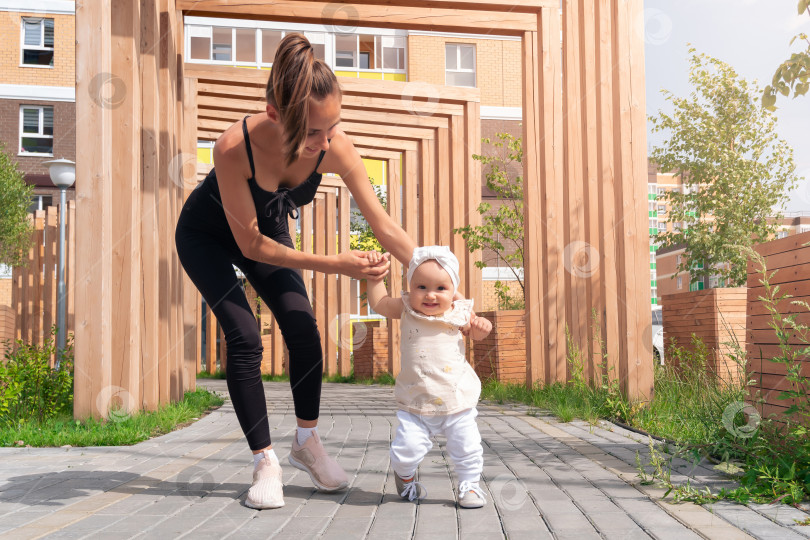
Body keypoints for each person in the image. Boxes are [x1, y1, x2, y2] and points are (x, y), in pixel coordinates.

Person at [175, 33, 416, 509]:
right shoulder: (232, 148)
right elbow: (251, 244)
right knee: (244, 334)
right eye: (311, 133)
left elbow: (384, 224)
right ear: (274, 113)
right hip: (208, 235)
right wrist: (337, 265)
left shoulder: (334, 147)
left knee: (304, 330)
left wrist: (437, 269)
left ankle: (306, 442)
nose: (324, 143)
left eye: (332, 128)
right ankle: (265, 461)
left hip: (267, 233)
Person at [366, 246, 493, 508]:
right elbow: (379, 303)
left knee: (467, 446)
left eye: (441, 288)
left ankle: (469, 484)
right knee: (406, 451)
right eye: (421, 287)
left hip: (455, 400)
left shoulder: (458, 312)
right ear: (410, 287)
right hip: (416, 402)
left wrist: (482, 327)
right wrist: (375, 278)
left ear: (453, 290)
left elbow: (476, 333)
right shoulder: (405, 307)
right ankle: (404, 475)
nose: (430, 295)